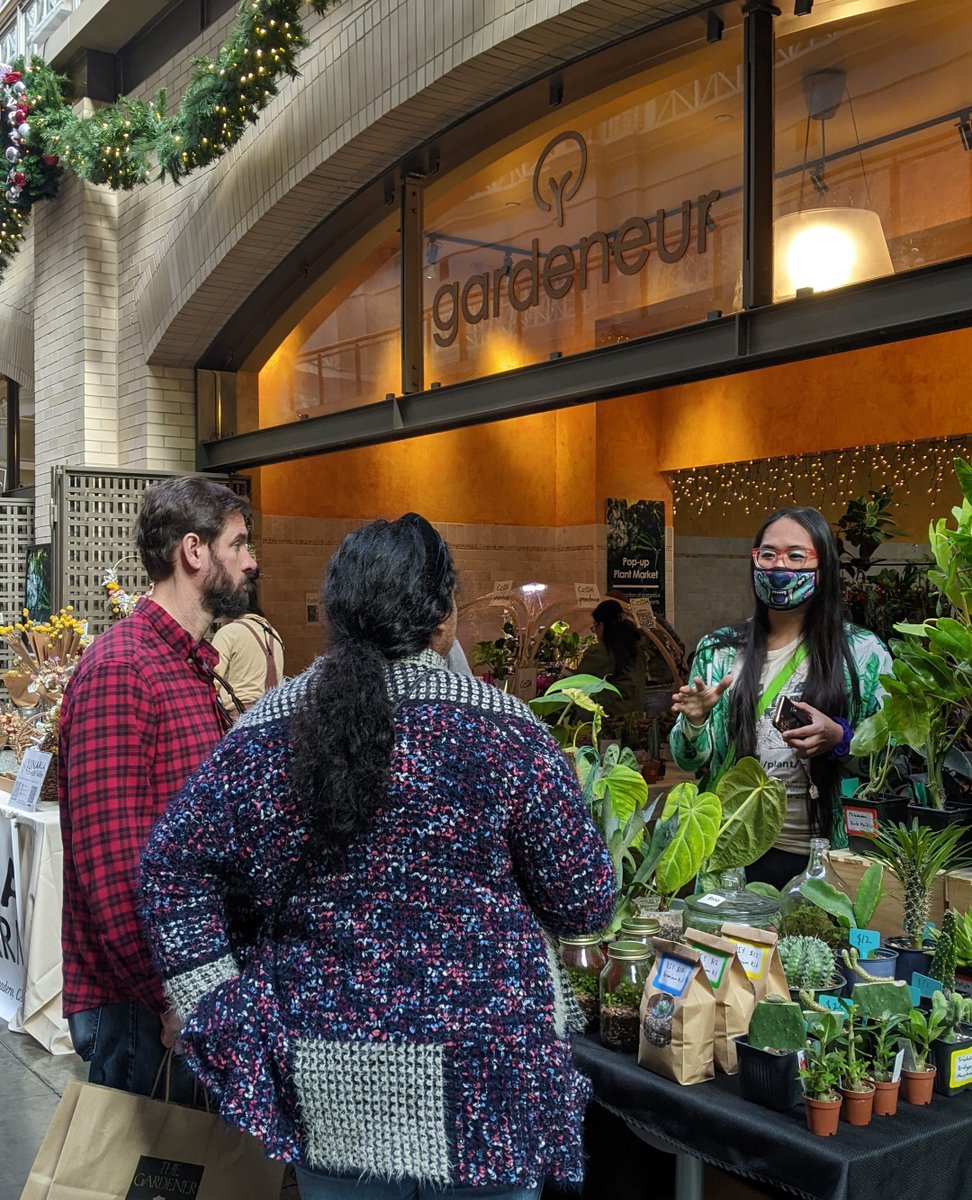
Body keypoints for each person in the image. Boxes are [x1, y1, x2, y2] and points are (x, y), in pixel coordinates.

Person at [141, 513, 615, 1199]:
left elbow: (172, 866)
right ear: (444, 617)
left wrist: (217, 1004)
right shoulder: (510, 732)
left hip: (327, 1083)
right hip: (492, 1079)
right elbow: (585, 901)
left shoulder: (269, 731)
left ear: (338, 614)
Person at [59, 476, 257, 1100]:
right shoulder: (125, 668)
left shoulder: (184, 665)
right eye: (240, 543)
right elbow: (113, 866)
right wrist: (171, 993)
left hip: (181, 991)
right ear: (194, 552)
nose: (252, 561)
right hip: (145, 1009)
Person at [669, 506, 892, 889]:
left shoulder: (863, 654)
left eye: (795, 555)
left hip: (827, 858)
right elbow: (689, 760)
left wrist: (841, 740)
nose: (778, 566)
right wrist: (695, 721)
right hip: (732, 851)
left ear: (823, 565)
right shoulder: (718, 651)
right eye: (767, 554)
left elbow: (895, 756)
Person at [211, 568, 285, 714]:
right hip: (272, 715)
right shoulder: (273, 634)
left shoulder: (229, 633)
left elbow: (212, 679)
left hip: (239, 717)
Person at [578, 598, 649, 715]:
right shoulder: (636, 649)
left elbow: (579, 682)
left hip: (608, 720)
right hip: (633, 718)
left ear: (601, 625)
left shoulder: (601, 652)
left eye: (595, 627)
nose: (595, 632)